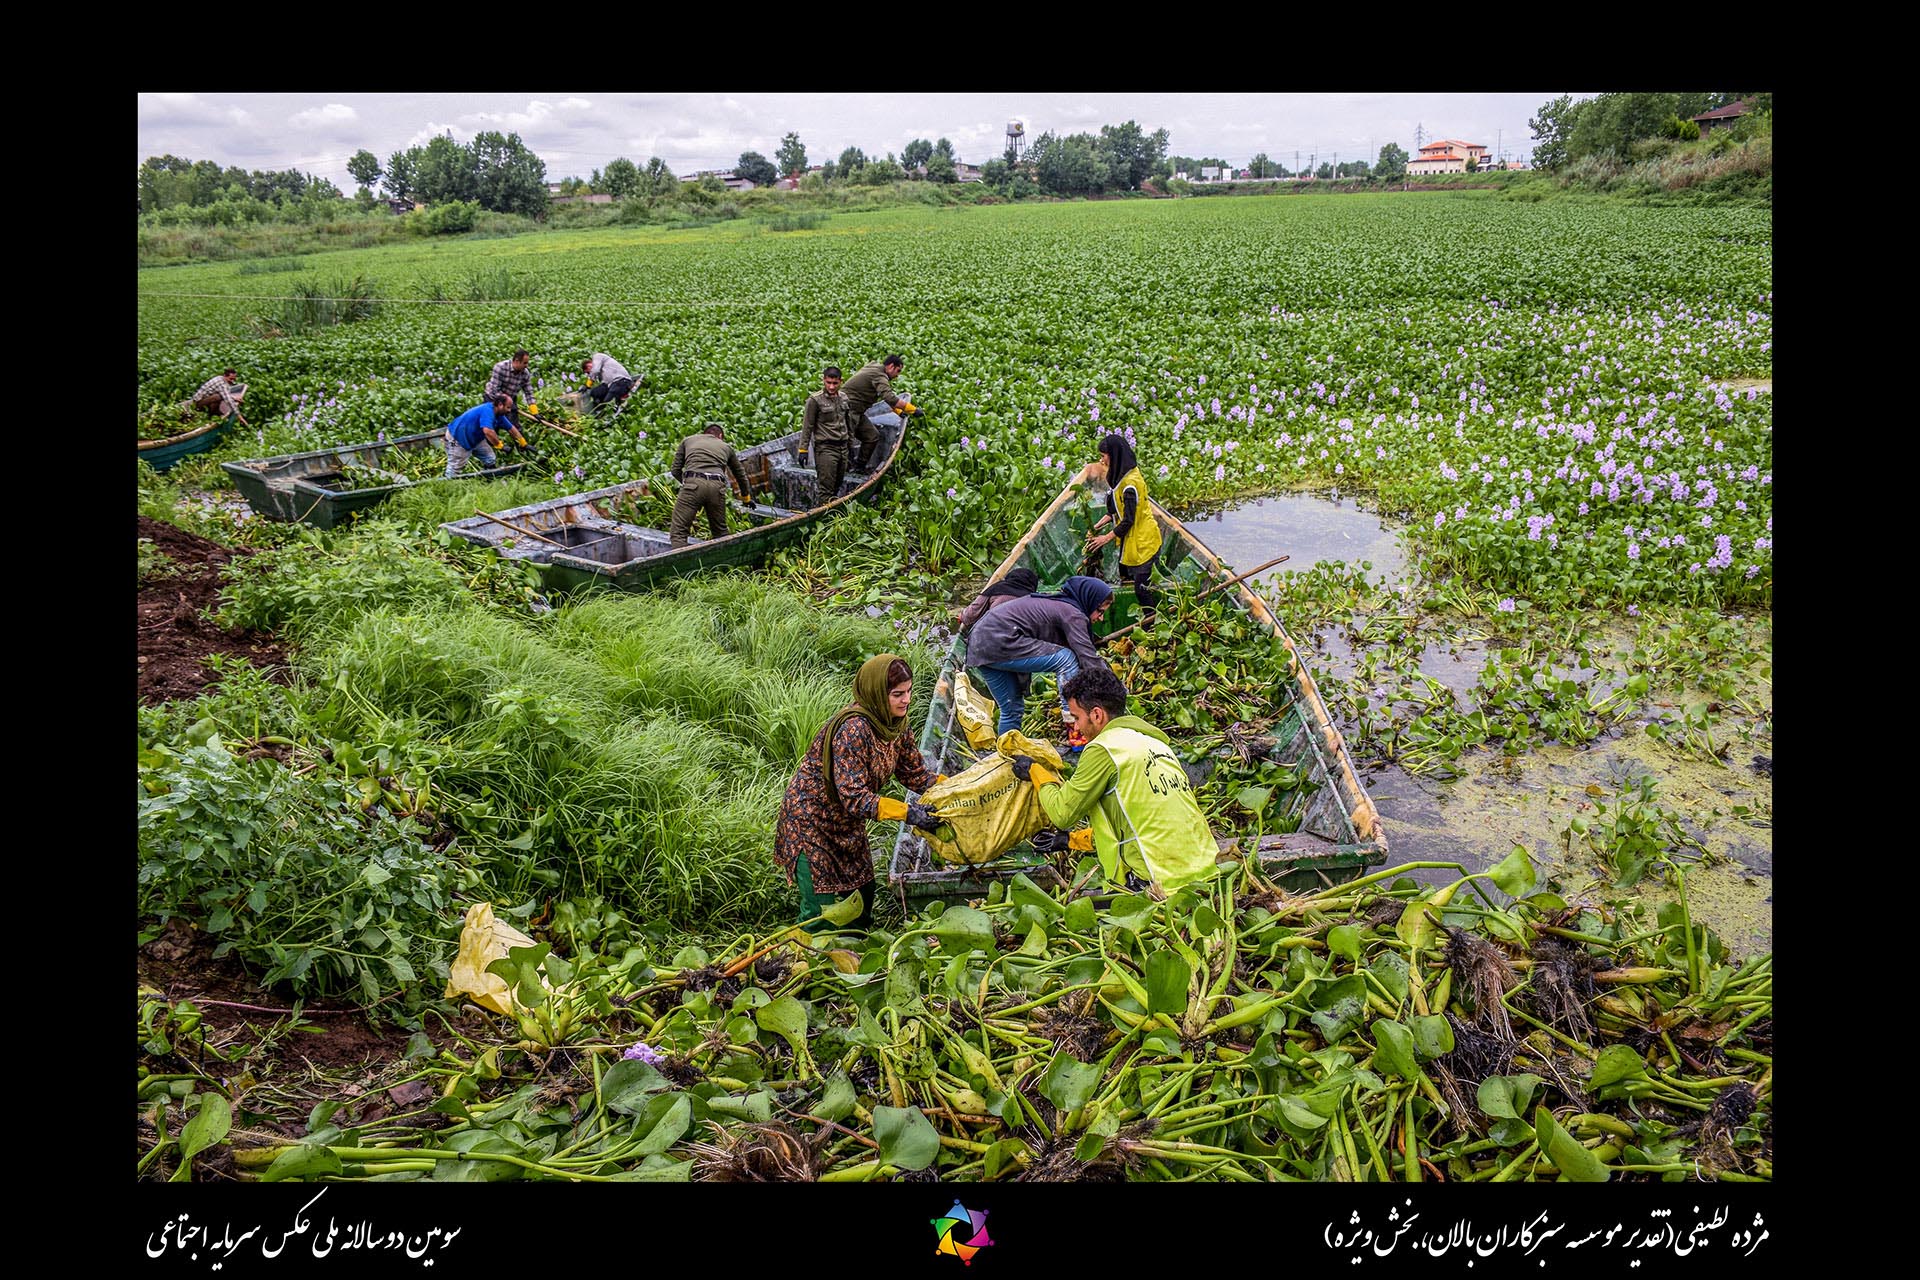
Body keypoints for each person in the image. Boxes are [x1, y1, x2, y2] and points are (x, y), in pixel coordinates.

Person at [772, 655, 946, 928]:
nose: (906, 700)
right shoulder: (855, 729)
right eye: (897, 694)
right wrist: (909, 813)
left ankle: (857, 950)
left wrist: (959, 787)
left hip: (847, 821)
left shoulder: (896, 725)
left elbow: (914, 774)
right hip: (812, 819)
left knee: (862, 893)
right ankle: (813, 957)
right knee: (821, 910)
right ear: (876, 693)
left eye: (909, 691)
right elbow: (853, 796)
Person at [1014, 666, 1219, 896]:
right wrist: (1071, 840)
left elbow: (1062, 813)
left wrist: (1037, 772)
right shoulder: (1156, 744)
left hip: (1162, 884)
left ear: (1097, 715)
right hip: (1206, 874)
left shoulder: (1105, 749)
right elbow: (1141, 825)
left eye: (1076, 718)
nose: (1077, 727)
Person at [966, 575, 1113, 737]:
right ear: (1089, 600)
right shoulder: (1072, 613)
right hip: (999, 641)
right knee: (1066, 659)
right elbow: (1087, 657)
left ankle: (1007, 754)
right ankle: (1073, 722)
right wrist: (1113, 688)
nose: (1101, 618)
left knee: (1011, 708)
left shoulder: (1059, 604)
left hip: (978, 646)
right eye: (1100, 611)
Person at [1084, 432, 1163, 623]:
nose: (1101, 460)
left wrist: (1105, 538)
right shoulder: (1120, 476)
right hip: (1132, 540)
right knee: (1124, 572)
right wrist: (1097, 526)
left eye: (1103, 455)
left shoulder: (1130, 484)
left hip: (1144, 540)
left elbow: (1128, 520)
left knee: (1141, 589)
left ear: (1114, 455)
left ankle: (1152, 623)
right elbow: (1114, 512)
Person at [797, 365, 874, 502]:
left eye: (835, 383)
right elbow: (807, 426)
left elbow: (848, 424)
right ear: (823, 381)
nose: (831, 387)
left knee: (837, 484)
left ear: (841, 382)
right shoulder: (815, 400)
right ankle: (824, 517)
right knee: (826, 489)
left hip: (842, 447)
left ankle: (832, 513)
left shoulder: (844, 398)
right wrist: (803, 449)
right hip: (826, 448)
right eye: (828, 383)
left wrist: (850, 446)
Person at [669, 423, 752, 547]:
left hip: (693, 483)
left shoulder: (688, 440)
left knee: (679, 533)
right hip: (717, 487)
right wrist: (746, 498)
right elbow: (740, 475)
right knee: (720, 532)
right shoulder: (726, 447)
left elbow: (675, 470)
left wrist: (689, 485)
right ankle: (725, 563)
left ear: (704, 434)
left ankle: (680, 565)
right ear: (720, 436)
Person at [840, 355, 918, 472]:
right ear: (891, 366)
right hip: (847, 410)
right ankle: (844, 471)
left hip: (858, 412)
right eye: (898, 371)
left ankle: (859, 466)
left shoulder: (874, 366)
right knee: (846, 443)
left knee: (872, 436)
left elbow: (883, 395)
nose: (897, 375)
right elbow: (889, 397)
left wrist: (897, 410)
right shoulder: (879, 375)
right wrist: (913, 410)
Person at [444, 394, 516, 478]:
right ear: (500, 405)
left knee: (490, 458)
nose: (509, 410)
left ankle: (489, 479)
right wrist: (500, 446)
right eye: (508, 407)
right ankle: (448, 485)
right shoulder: (488, 411)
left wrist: (523, 443)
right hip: (458, 438)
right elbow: (488, 431)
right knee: (455, 468)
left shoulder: (499, 415)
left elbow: (511, 429)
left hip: (475, 438)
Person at [953, 567, 1040, 633]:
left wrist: (962, 617)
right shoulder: (1033, 599)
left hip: (990, 634)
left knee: (966, 625)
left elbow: (970, 614)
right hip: (1018, 640)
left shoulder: (996, 588)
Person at [485, 349, 534, 444]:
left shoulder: (525, 373)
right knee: (492, 424)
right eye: (525, 363)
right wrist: (507, 403)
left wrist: (533, 408)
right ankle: (492, 446)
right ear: (516, 361)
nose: (526, 365)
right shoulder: (500, 367)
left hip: (511, 398)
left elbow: (528, 391)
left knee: (514, 424)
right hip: (493, 398)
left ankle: (522, 446)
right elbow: (494, 390)